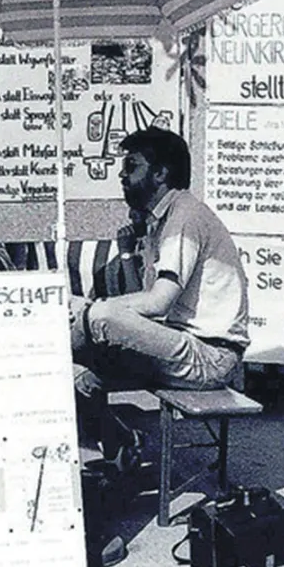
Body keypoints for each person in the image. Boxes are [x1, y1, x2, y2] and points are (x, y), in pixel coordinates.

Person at [69, 126, 250, 398]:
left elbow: (157, 303)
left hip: (211, 356)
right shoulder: (160, 220)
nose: (122, 175)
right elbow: (142, 302)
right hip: (181, 344)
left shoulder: (185, 218)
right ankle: (126, 440)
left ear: (160, 173)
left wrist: (91, 309)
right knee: (81, 380)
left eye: (131, 166)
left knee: (98, 317)